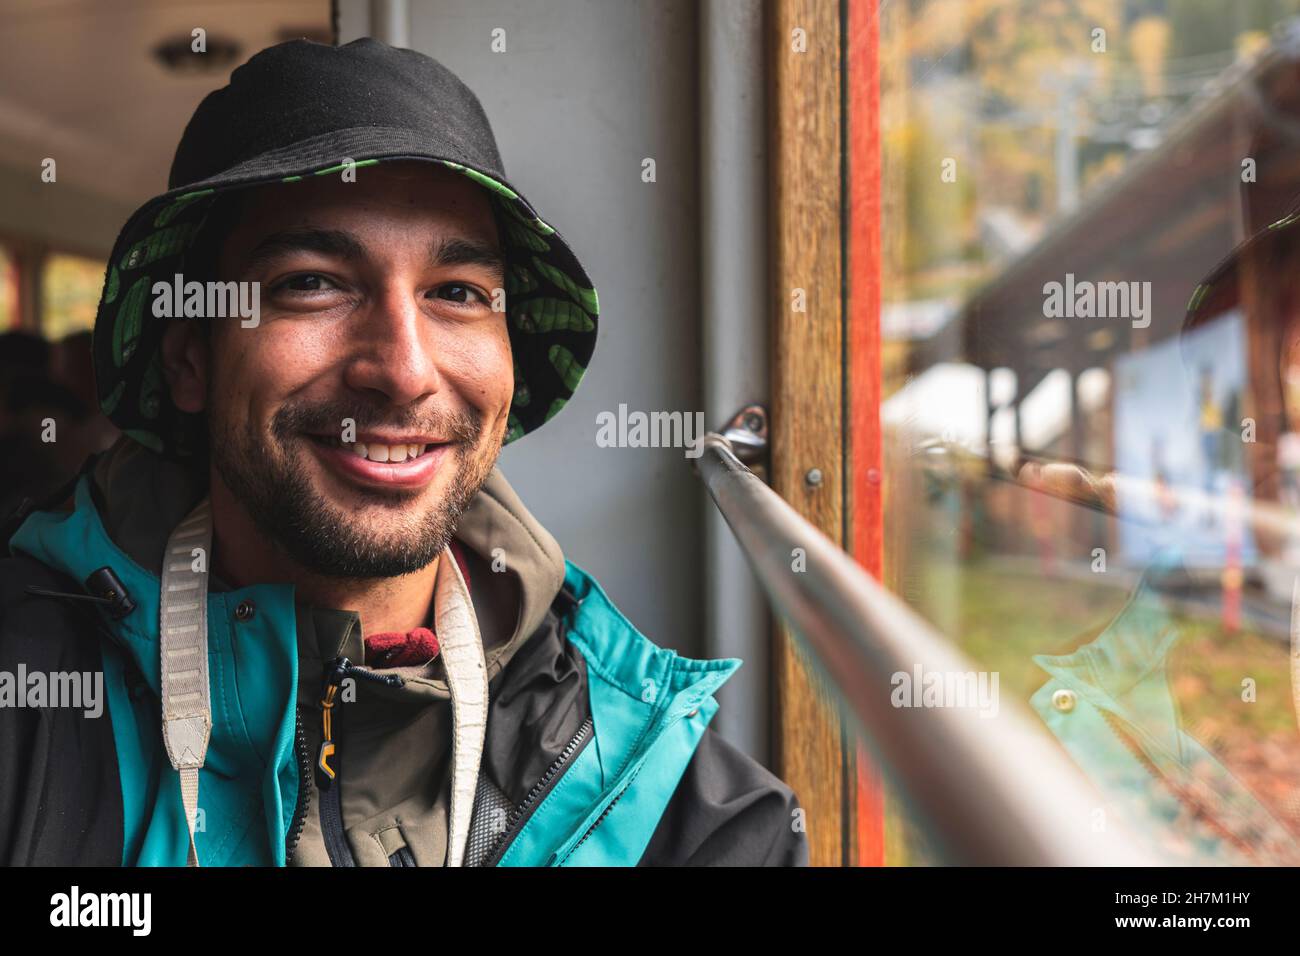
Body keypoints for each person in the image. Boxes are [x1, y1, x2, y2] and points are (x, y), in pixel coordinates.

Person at [0, 38, 806, 867]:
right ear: (190, 358)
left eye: (455, 293)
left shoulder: (680, 812)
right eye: (312, 282)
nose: (403, 370)